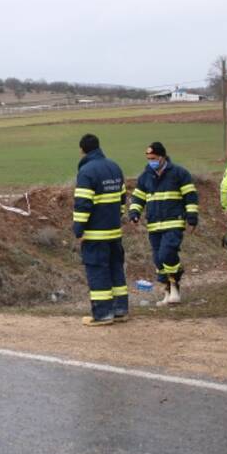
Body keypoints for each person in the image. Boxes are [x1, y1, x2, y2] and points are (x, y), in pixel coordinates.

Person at [127, 141, 199, 306]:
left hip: (173, 223)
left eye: (153, 158)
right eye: (148, 158)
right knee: (159, 261)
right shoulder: (145, 176)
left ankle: (175, 285)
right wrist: (134, 213)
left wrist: (192, 217)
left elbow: (190, 196)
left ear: (163, 157)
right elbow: (138, 197)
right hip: (154, 226)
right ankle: (168, 290)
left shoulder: (179, 173)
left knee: (167, 254)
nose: (150, 161)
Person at [73, 134, 129, 326]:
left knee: (97, 271)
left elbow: (82, 205)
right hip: (114, 231)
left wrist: (78, 230)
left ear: (82, 150)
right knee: (116, 269)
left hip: (96, 234)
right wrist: (115, 218)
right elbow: (122, 200)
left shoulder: (87, 171)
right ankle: (120, 310)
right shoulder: (114, 167)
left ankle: (103, 313)